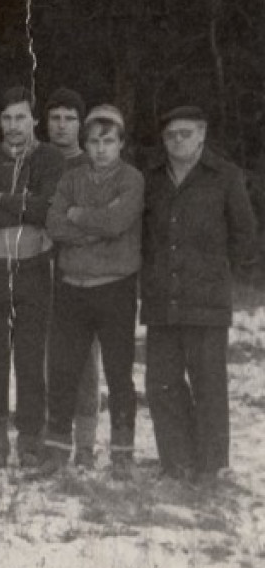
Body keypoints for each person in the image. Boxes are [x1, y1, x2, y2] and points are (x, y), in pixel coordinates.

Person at [142, 105, 257, 483]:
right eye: (171, 135)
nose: (178, 141)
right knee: (163, 382)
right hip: (162, 298)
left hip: (206, 300)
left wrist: (219, 276)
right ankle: (177, 462)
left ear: (202, 134)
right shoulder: (153, 179)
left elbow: (244, 236)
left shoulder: (225, 176)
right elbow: (144, 237)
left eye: (186, 133)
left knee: (208, 383)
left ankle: (211, 465)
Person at [43, 105, 143, 480]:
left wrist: (79, 216)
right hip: (72, 288)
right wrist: (94, 225)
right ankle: (56, 450)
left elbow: (119, 222)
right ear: (84, 144)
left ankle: (121, 453)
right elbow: (54, 223)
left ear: (120, 143)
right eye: (94, 142)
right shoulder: (71, 178)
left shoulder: (131, 179)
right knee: (64, 369)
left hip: (115, 287)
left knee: (119, 373)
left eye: (109, 141)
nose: (101, 149)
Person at [0, 86, 63, 469]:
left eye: (20, 117)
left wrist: (2, 200)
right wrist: (24, 205)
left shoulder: (50, 158)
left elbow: (49, 211)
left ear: (34, 120)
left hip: (33, 268)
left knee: (29, 355)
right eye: (6, 118)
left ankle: (29, 438)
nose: (13, 125)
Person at [44, 87, 101, 469]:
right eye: (55, 118)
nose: (61, 126)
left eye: (69, 118)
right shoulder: (36, 161)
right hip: (39, 273)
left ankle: (85, 444)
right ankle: (51, 442)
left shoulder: (92, 164)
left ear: (80, 125)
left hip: (83, 274)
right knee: (48, 362)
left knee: (83, 363)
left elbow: (95, 222)